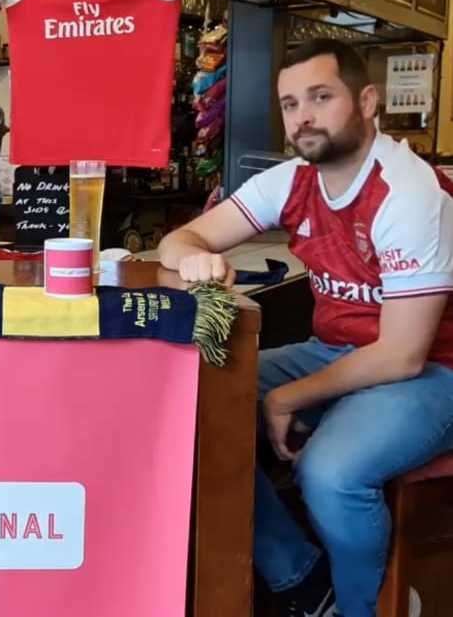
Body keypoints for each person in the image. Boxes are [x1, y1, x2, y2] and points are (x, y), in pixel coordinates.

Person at [158, 38, 453, 617]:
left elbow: (401, 355)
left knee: (331, 474)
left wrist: (287, 397)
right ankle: (303, 581)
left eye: (322, 96)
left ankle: (360, 607)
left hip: (433, 372)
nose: (304, 117)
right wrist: (194, 256)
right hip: (338, 353)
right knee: (196, 403)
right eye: (291, 104)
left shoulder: (408, 190)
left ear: (367, 102)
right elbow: (181, 238)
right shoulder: (291, 179)